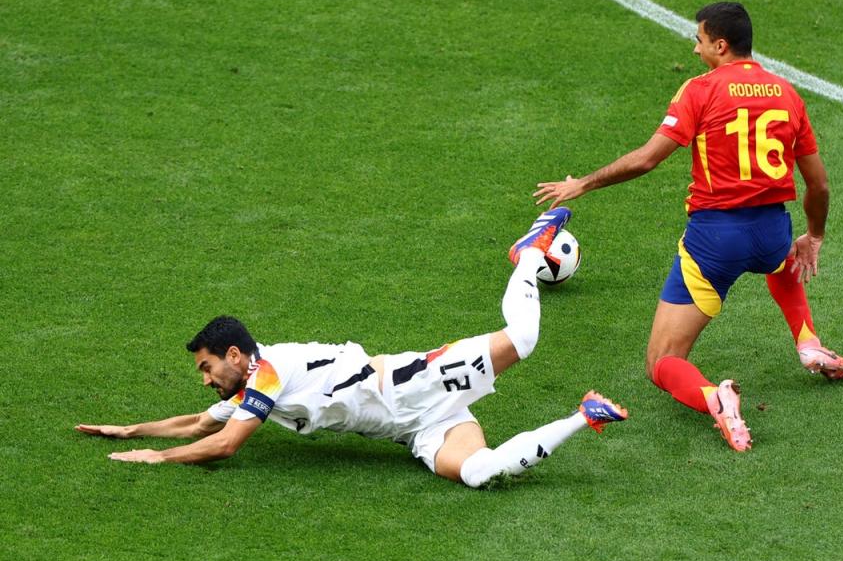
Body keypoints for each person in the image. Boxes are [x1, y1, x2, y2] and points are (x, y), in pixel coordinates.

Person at [75, 208, 628, 487]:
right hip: (416, 428)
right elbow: (201, 422)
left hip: (414, 382)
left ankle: (532, 251)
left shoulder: (267, 374)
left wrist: (156, 459)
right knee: (482, 473)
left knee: (524, 339)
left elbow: (222, 447)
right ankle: (587, 414)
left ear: (235, 355)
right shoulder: (253, 384)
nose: (206, 377)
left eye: (207, 366)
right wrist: (128, 430)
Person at [533, 2, 843, 452]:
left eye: (700, 40)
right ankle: (808, 342)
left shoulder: (700, 90)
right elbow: (817, 184)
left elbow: (647, 158)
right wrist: (813, 235)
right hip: (773, 229)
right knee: (784, 259)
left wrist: (583, 183)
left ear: (721, 45)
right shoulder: (786, 92)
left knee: (662, 360)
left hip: (715, 241)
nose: (696, 47)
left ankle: (714, 399)